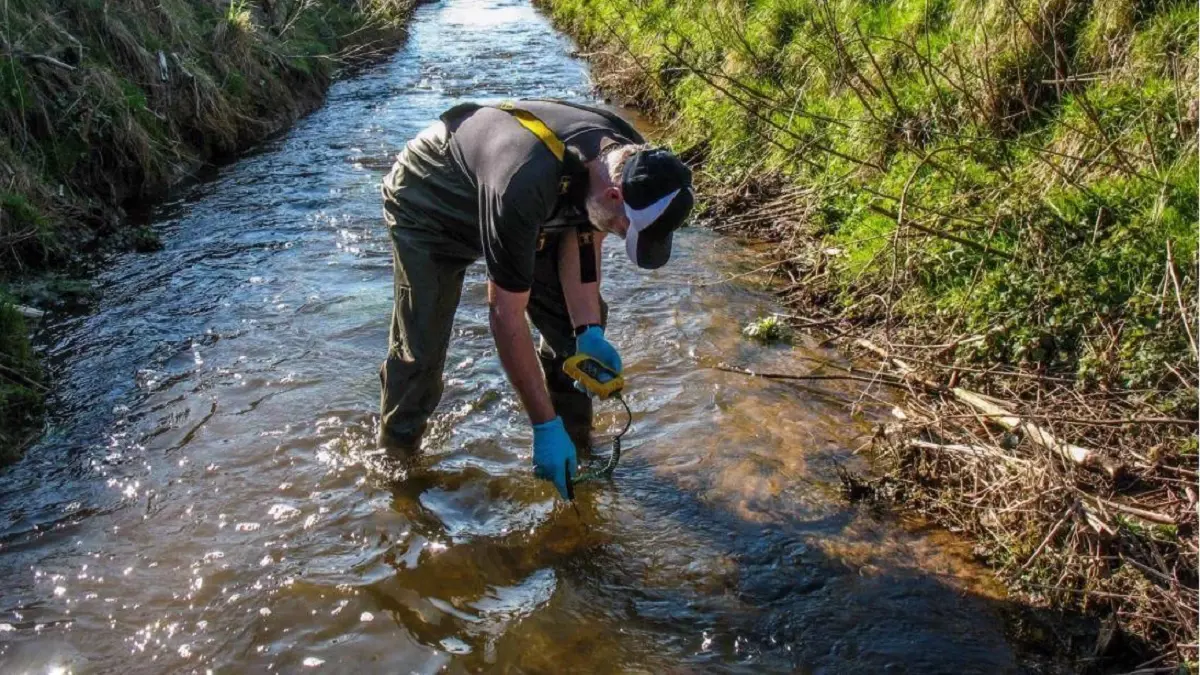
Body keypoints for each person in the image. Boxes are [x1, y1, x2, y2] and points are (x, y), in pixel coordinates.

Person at [376, 98, 694, 499]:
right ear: (615, 196)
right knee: (422, 347)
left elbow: (585, 233)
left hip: (520, 200)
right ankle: (397, 464)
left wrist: (588, 331)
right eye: (623, 229)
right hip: (433, 199)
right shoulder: (523, 182)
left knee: (573, 331)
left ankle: (577, 448)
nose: (618, 234)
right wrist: (542, 425)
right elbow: (505, 314)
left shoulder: (633, 161)